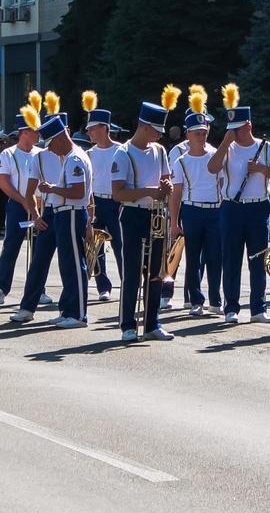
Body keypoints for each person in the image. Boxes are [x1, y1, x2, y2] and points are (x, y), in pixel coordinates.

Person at [208, 83, 270, 326]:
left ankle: (258, 308)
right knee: (231, 258)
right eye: (231, 130)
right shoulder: (227, 148)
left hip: (257, 207)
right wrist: (225, 140)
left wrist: (261, 169)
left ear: (248, 126)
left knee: (258, 258)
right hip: (232, 207)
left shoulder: (265, 147)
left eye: (237, 129)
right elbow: (212, 167)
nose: (234, 134)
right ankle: (231, 307)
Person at [114, 88, 178, 342]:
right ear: (143, 126)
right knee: (132, 272)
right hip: (132, 214)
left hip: (156, 215)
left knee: (156, 271)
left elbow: (166, 180)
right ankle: (128, 325)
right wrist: (150, 191)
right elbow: (117, 193)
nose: (158, 135)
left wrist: (166, 188)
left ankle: (152, 323)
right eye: (155, 130)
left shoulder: (159, 151)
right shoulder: (124, 152)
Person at [30, 112, 93, 329]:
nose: (49, 149)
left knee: (75, 264)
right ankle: (67, 310)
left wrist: (52, 188)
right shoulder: (70, 157)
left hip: (72, 212)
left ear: (59, 137)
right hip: (65, 212)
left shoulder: (74, 158)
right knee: (66, 264)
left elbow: (78, 192)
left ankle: (78, 314)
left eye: (50, 144)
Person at [168, 87, 223, 316]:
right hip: (192, 211)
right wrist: (174, 220)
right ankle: (195, 300)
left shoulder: (215, 155)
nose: (201, 136)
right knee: (193, 258)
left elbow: (222, 185)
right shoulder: (181, 160)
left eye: (204, 131)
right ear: (188, 134)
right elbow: (176, 192)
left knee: (214, 257)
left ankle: (215, 300)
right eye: (196, 132)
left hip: (214, 211)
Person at [0, 105, 41, 307]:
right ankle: (1, 289)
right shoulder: (8, 154)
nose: (38, 134)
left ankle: (39, 288)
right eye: (35, 130)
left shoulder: (41, 153)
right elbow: (3, 181)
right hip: (17, 205)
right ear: (24, 132)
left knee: (39, 248)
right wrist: (24, 201)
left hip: (39, 206)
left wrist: (36, 204)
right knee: (11, 245)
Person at [83, 91, 122, 300]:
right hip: (96, 201)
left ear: (104, 128)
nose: (89, 133)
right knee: (95, 245)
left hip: (116, 201)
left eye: (93, 129)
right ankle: (103, 286)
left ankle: (128, 282)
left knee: (121, 245)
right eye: (88, 130)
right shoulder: (89, 154)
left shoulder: (121, 150)